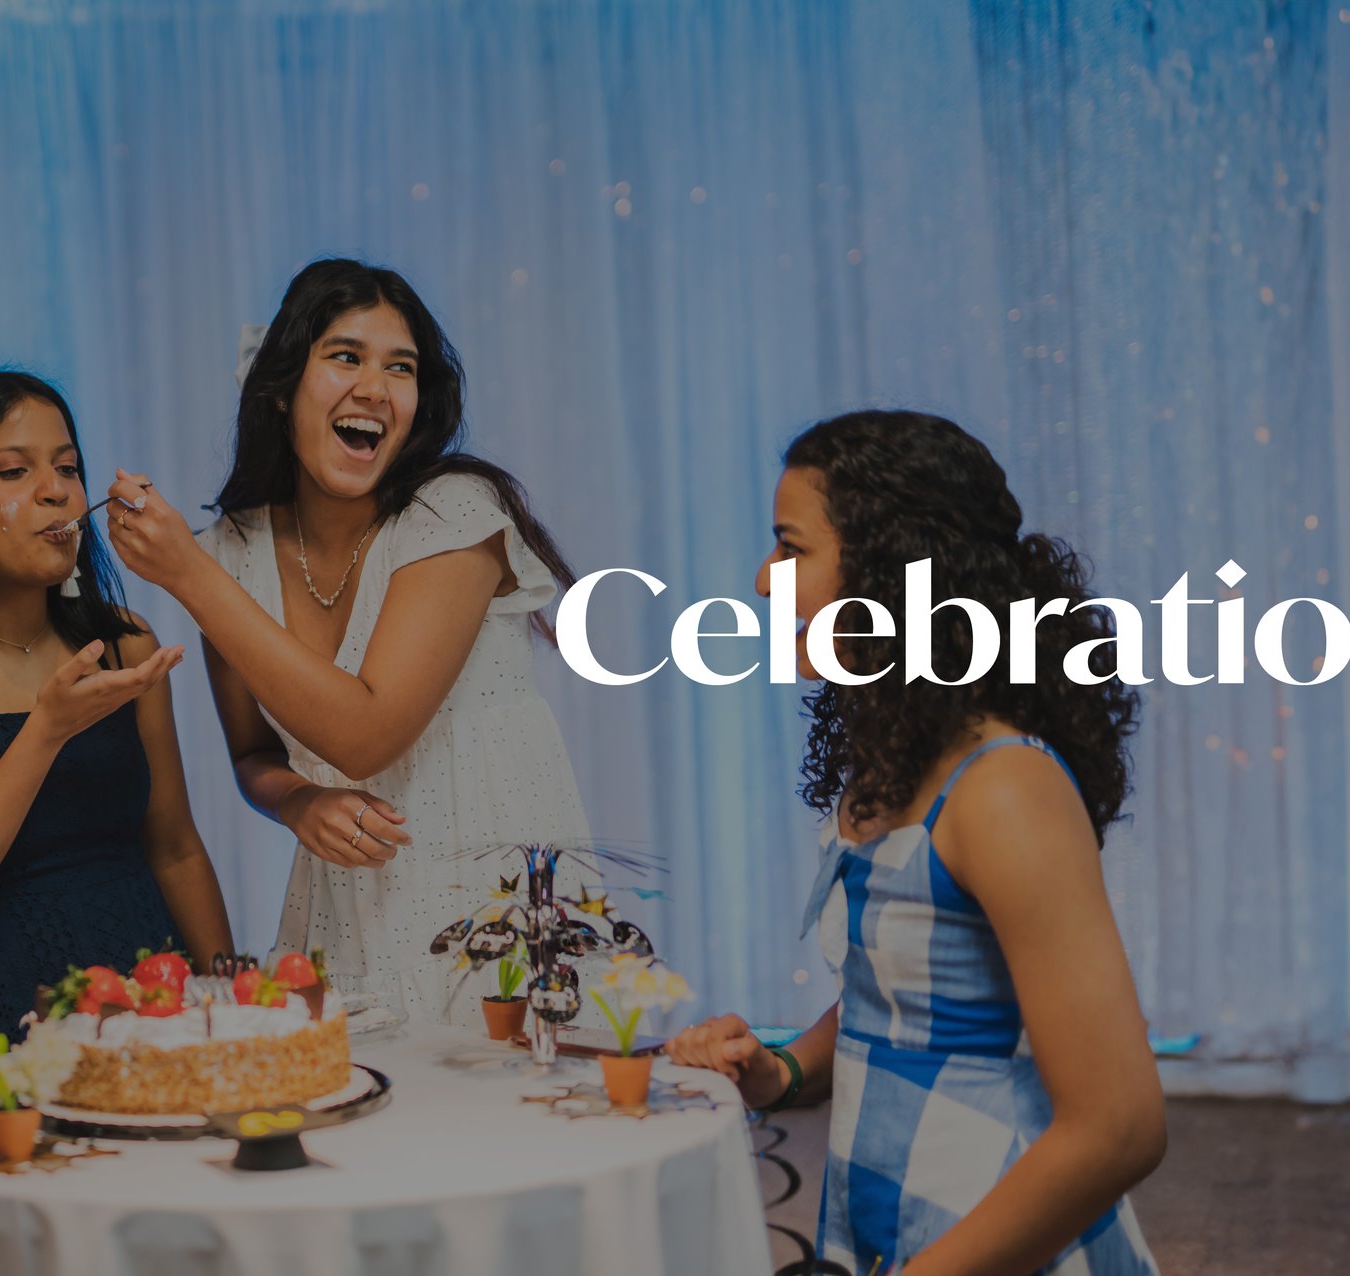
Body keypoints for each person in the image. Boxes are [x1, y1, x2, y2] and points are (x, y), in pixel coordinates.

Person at [667, 410, 1162, 1275]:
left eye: (790, 548)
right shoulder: (897, 766)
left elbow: (1120, 1129)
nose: (761, 578)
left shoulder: (1004, 788)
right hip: (892, 1231)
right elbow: (904, 1002)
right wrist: (779, 1070)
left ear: (890, 575)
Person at [102, 258, 590, 1025]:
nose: (374, 386)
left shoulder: (455, 514)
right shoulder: (230, 554)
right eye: (344, 356)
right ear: (281, 386)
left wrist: (187, 576)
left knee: (511, 1125)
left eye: (401, 367)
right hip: (348, 906)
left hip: (494, 891)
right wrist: (299, 801)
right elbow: (252, 756)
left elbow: (366, 736)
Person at [0, 370, 235, 1084]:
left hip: (149, 1009)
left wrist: (233, 1014)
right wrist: (45, 731)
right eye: (13, 471)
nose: (56, 490)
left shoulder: (126, 642)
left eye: (67, 467)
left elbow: (175, 849)